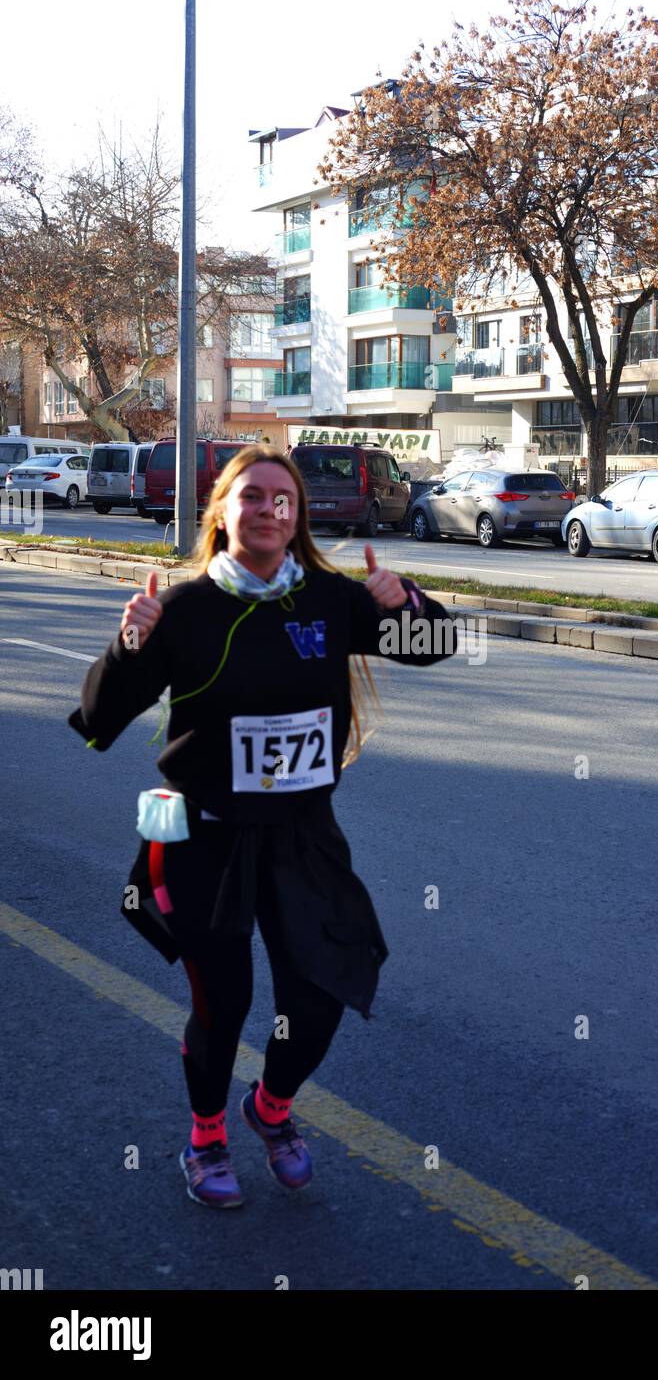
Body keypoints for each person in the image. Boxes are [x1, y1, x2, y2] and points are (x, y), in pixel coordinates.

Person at [69, 445, 456, 1207]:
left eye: (284, 498)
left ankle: (270, 1109)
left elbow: (436, 647)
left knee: (319, 994)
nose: (270, 509)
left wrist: (404, 604)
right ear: (222, 510)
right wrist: (130, 643)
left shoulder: (329, 599)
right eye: (253, 496)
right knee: (225, 1000)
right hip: (204, 838)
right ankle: (206, 1136)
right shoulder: (183, 610)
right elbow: (99, 720)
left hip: (303, 835)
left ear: (297, 515)